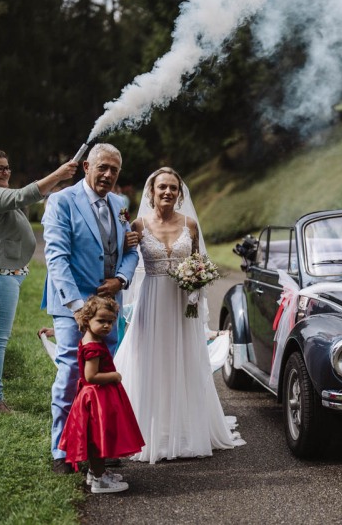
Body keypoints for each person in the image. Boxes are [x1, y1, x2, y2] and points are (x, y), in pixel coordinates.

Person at [114, 167, 245, 463]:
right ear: (152, 192)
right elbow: (127, 261)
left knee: (184, 359)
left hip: (183, 303)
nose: (168, 192)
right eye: (162, 187)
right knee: (150, 359)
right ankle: (149, 429)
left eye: (173, 187)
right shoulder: (137, 224)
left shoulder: (190, 225)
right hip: (152, 299)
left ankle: (185, 428)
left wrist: (198, 280)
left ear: (180, 193)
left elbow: (199, 260)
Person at [42, 143, 140, 474]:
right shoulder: (61, 202)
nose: (109, 174)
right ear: (87, 166)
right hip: (73, 304)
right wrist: (76, 306)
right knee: (72, 371)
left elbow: (131, 250)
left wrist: (122, 280)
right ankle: (61, 449)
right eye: (103, 167)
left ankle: (99, 446)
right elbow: (56, 258)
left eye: (114, 169)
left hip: (109, 305)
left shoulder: (121, 204)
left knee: (102, 378)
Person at [0, 148, 77, 413]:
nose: (6, 172)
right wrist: (58, 175)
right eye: (0, 168)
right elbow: (23, 195)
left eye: (8, 167)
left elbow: (19, 200)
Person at [58, 295, 144, 493]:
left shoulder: (91, 338)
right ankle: (99, 480)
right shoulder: (93, 347)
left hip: (96, 396)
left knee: (99, 437)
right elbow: (91, 376)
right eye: (101, 321)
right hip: (96, 398)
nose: (106, 326)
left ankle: (97, 473)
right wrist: (114, 375)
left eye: (110, 322)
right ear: (87, 319)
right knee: (97, 440)